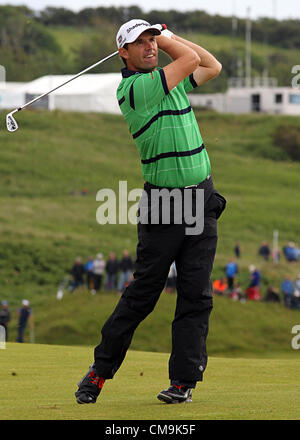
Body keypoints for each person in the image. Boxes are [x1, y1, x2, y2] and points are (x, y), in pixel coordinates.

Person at [75, 18, 225, 405]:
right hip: (164, 205)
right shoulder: (135, 89)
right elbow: (191, 59)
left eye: (152, 41)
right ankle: (99, 372)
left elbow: (212, 66)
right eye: (140, 43)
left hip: (201, 200)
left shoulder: (169, 83)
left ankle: (183, 382)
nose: (150, 47)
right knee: (143, 294)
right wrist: (171, 38)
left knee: (196, 296)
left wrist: (166, 37)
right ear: (122, 52)